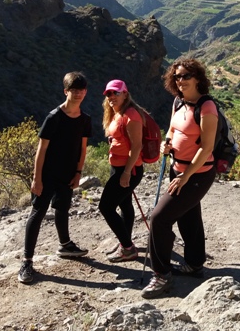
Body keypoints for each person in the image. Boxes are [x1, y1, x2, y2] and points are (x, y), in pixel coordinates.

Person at [142, 58, 218, 299]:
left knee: (159, 218)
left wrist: (186, 176)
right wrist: (166, 142)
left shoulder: (207, 107)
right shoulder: (179, 102)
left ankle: (161, 274)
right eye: (176, 76)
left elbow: (206, 147)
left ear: (197, 78)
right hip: (178, 169)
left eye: (186, 76)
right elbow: (173, 129)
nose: (180, 80)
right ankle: (195, 264)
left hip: (197, 174)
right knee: (188, 215)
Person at [18, 71, 93, 284]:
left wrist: (78, 173)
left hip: (68, 173)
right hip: (47, 174)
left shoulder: (85, 119)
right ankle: (27, 261)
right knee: (38, 212)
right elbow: (41, 150)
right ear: (65, 91)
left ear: (86, 92)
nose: (78, 94)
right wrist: (37, 179)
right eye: (74, 90)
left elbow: (83, 148)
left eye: (81, 90)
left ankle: (65, 245)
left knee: (62, 208)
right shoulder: (54, 117)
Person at [98, 79, 147, 262]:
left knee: (106, 207)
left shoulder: (131, 115)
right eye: (108, 93)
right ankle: (125, 243)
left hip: (128, 169)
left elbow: (137, 146)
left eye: (116, 93)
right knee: (125, 204)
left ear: (125, 94)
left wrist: (126, 172)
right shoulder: (117, 113)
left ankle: (128, 248)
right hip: (118, 167)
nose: (112, 96)